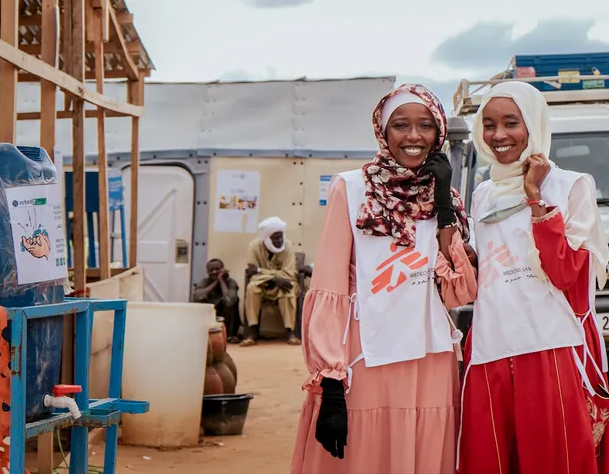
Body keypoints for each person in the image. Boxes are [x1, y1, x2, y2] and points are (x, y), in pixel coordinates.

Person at [291, 83, 477, 474]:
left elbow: (458, 289)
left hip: (430, 356)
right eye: (401, 125)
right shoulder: (352, 188)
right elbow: (330, 284)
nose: (413, 136)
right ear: (382, 131)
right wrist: (329, 379)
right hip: (368, 355)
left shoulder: (448, 198)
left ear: (439, 132)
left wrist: (443, 200)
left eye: (425, 125)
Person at [459, 81, 609, 474]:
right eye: (490, 125)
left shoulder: (570, 186)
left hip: (551, 347)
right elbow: (491, 274)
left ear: (533, 125)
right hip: (491, 349)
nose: (498, 135)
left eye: (511, 122)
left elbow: (565, 273)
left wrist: (534, 196)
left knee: (554, 460)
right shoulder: (483, 195)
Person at [241, 216, 301, 347]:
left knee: (288, 289)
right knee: (252, 288)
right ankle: (252, 332)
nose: (279, 241)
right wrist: (274, 278)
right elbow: (251, 273)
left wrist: (260, 271)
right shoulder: (254, 247)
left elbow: (288, 273)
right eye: (275, 238)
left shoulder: (288, 246)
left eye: (280, 237)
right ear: (267, 238)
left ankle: (290, 332)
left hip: (283, 283)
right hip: (261, 284)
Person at [192, 258, 242, 344]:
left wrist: (221, 281)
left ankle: (230, 335)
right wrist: (216, 282)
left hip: (226, 317)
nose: (214, 272)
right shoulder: (204, 282)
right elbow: (197, 297)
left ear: (222, 269)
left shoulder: (230, 282)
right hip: (211, 316)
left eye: (217, 269)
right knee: (200, 302)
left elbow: (230, 301)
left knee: (232, 301)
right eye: (211, 270)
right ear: (207, 272)